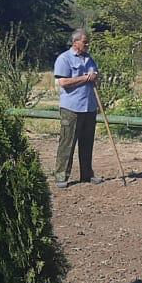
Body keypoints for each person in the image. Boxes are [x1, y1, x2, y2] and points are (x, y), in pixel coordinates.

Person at [52, 30, 102, 188]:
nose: (87, 44)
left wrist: (95, 77)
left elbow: (95, 77)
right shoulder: (64, 59)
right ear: (75, 42)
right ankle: (61, 176)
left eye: (88, 42)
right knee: (67, 143)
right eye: (85, 42)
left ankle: (87, 175)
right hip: (71, 108)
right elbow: (63, 82)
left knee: (87, 143)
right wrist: (85, 78)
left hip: (89, 107)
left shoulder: (89, 59)